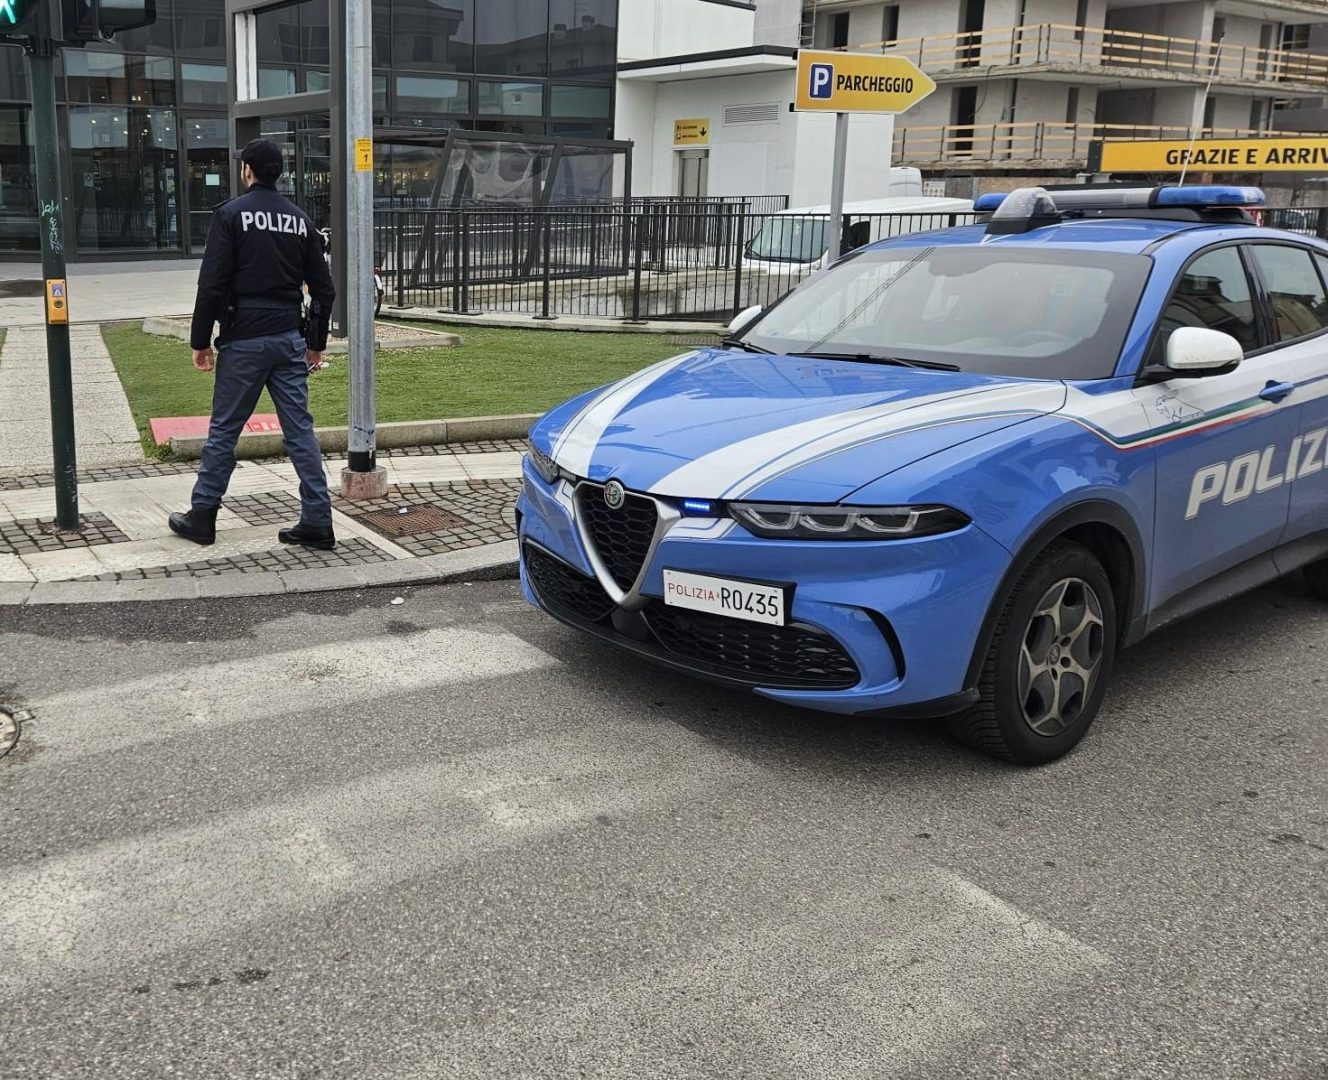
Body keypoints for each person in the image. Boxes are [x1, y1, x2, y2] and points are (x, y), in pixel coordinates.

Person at [168, 138, 338, 550]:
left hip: (243, 339)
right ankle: (318, 520)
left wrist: (199, 341)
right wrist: (315, 343)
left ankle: (203, 515)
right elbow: (324, 289)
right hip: (288, 338)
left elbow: (211, 284)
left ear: (247, 170)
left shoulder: (231, 215)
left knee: (225, 429)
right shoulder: (300, 221)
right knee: (300, 431)